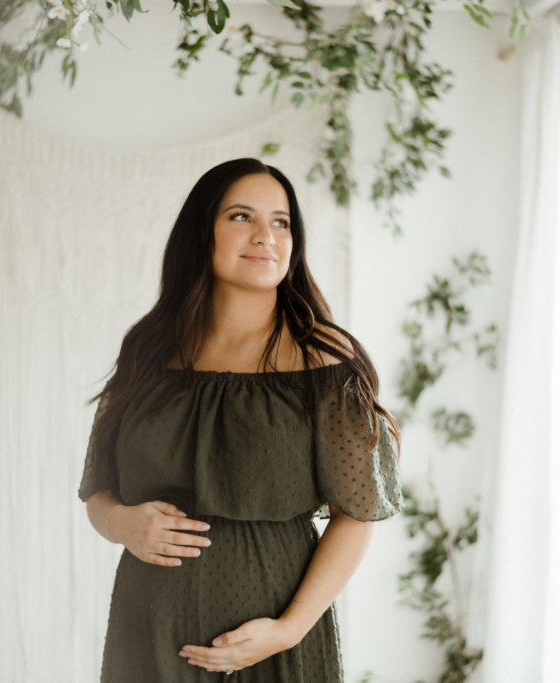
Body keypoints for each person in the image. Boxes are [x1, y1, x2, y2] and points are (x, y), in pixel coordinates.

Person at [78, 157, 403, 681]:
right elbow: (99, 488)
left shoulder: (322, 361)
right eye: (240, 217)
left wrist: (289, 630)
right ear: (200, 232)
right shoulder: (148, 349)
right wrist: (121, 524)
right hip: (147, 635)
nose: (265, 236)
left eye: (281, 222)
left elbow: (357, 513)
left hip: (272, 645)